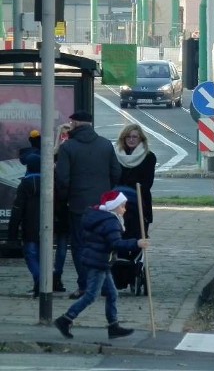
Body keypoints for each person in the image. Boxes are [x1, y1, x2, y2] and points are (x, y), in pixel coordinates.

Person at [54, 190, 149, 340]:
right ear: (114, 207)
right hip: (98, 262)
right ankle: (65, 319)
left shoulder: (101, 218)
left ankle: (113, 326)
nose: (124, 210)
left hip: (100, 261)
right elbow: (116, 243)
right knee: (91, 295)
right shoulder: (111, 222)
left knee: (112, 293)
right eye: (122, 206)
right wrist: (136, 243)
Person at [56, 110, 122, 299]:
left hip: (78, 206)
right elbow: (116, 172)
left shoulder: (68, 148)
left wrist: (65, 198)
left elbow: (62, 179)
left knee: (79, 246)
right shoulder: (105, 145)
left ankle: (84, 285)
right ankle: (102, 284)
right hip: (103, 206)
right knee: (101, 244)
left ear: (75, 124)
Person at [8, 153, 42, 298]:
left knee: (30, 256)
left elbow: (17, 210)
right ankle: (40, 284)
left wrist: (12, 234)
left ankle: (40, 279)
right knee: (42, 256)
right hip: (46, 227)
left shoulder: (25, 185)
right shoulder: (49, 183)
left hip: (29, 227)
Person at [114, 124, 156, 236]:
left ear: (141, 138)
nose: (131, 140)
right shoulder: (115, 155)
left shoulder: (149, 157)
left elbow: (148, 182)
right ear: (123, 138)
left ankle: (137, 253)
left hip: (139, 200)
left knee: (138, 234)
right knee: (121, 234)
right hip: (119, 201)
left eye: (134, 137)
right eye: (128, 137)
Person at [52, 124, 73, 292]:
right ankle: (56, 276)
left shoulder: (65, 153)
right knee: (62, 242)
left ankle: (57, 276)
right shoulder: (70, 151)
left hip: (64, 203)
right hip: (62, 204)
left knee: (63, 242)